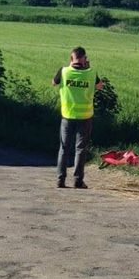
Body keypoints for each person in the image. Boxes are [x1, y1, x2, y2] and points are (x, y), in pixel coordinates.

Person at [52, 47, 103, 188]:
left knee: (64, 148)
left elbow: (53, 83)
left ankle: (60, 179)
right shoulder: (91, 73)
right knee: (80, 149)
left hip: (67, 116)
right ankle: (78, 181)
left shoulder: (64, 71)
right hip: (85, 116)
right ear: (84, 59)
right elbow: (100, 86)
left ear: (71, 58)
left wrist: (69, 67)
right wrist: (87, 69)